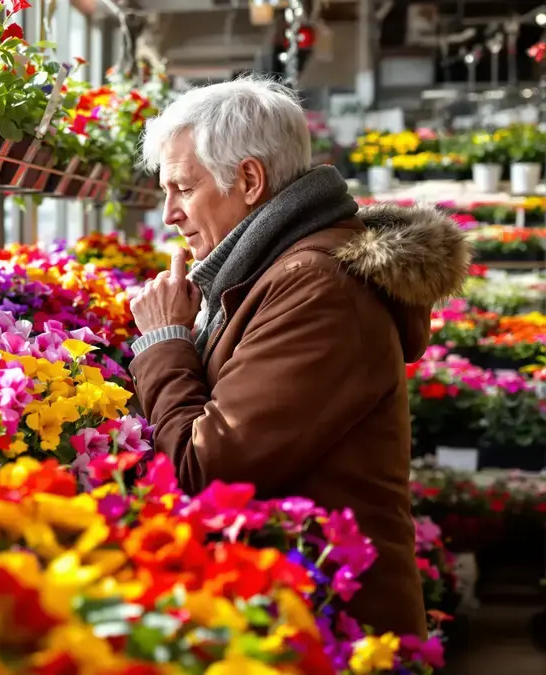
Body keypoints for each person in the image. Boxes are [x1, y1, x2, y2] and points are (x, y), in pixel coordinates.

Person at [128, 75, 470, 639]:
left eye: (183, 190)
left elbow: (204, 469)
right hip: (301, 605)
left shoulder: (316, 286)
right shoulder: (276, 270)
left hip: (326, 625)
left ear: (250, 179)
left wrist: (164, 341)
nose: (169, 214)